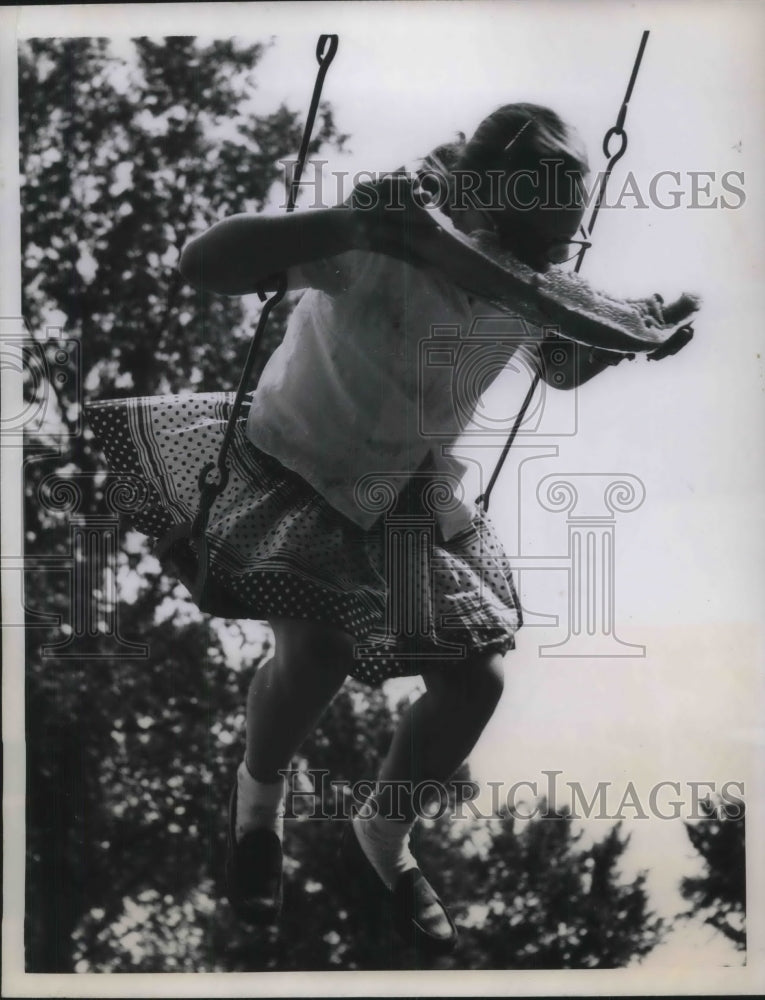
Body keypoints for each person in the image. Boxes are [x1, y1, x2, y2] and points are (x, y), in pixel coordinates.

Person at [85, 103, 698, 954]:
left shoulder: (529, 284)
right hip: (294, 467)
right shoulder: (385, 239)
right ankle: (257, 806)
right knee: (318, 654)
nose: (577, 238)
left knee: (473, 684)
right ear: (501, 203)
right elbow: (204, 262)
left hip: (402, 500)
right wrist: (342, 220)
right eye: (564, 217)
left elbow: (559, 362)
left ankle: (384, 834)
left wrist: (640, 332)